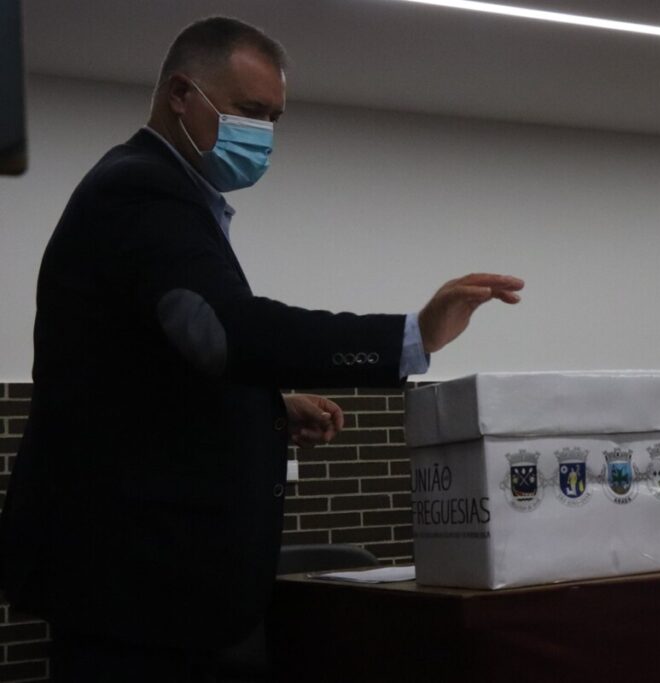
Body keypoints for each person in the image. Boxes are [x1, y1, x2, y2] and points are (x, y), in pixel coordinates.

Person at [0, 16, 523, 681]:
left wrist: (267, 404)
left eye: (273, 118)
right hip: (136, 588)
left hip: (150, 585)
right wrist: (410, 336)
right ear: (181, 94)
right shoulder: (140, 188)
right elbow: (224, 332)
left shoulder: (167, 194)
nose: (263, 133)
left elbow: (153, 365)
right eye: (249, 111)